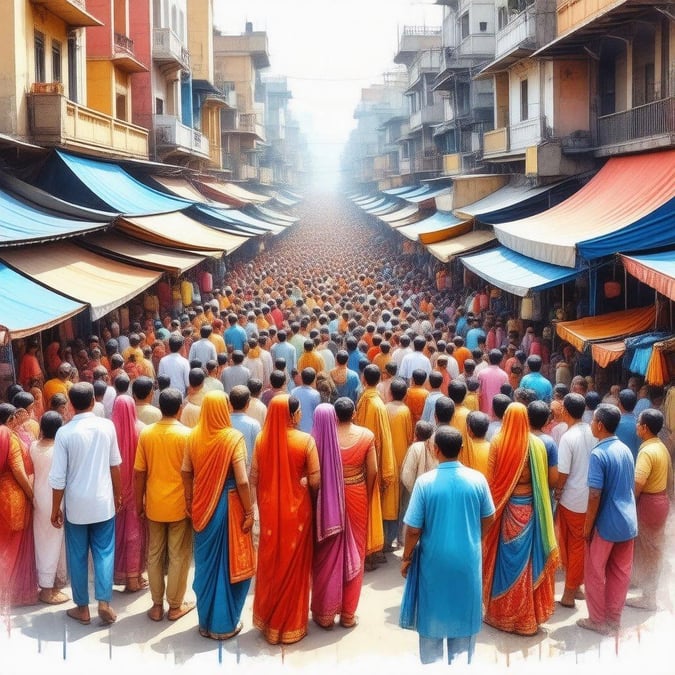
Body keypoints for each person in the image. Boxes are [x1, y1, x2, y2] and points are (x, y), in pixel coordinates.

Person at [399, 426, 495, 665]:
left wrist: (407, 557)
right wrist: (475, 538)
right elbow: (489, 517)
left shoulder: (425, 483)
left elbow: (413, 529)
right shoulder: (478, 480)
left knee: (432, 622)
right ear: (461, 449)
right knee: (463, 628)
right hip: (468, 561)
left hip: (434, 563)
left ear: (435, 449)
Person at [182, 391, 254, 639]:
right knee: (228, 564)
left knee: (207, 567)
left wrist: (190, 500)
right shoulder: (233, 438)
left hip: (202, 507)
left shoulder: (193, 437)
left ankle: (205, 623)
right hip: (229, 505)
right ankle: (223, 625)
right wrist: (249, 511)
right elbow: (243, 481)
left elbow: (185, 471)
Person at [49, 382, 122, 626]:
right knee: (104, 552)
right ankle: (103, 601)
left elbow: (58, 477)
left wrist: (54, 508)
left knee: (78, 556)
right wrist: (119, 495)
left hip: (76, 506)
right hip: (103, 502)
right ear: (93, 401)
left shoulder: (64, 433)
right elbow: (115, 465)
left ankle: (82, 608)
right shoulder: (106, 426)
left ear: (71, 404)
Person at [482, 402, 558, 635]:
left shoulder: (498, 442)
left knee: (504, 562)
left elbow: (492, 479)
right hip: (531, 511)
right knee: (527, 565)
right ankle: (527, 620)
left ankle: (500, 615)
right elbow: (547, 481)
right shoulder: (536, 444)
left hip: (506, 510)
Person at [251, 395, 320, 644]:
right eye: (299, 410)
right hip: (298, 513)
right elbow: (315, 480)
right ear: (292, 415)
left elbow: (254, 477)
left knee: (272, 562)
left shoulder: (261, 439)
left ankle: (269, 620)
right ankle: (289, 624)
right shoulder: (306, 441)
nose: (301, 414)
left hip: (270, 512)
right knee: (295, 564)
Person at [134, 388, 194, 623]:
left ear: (160, 408)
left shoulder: (147, 433)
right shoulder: (187, 435)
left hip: (155, 504)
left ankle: (157, 605)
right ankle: (175, 605)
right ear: (180, 409)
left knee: (155, 553)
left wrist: (139, 502)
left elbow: (140, 473)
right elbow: (191, 474)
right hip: (180, 505)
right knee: (178, 555)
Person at [577, 404, 637, 635]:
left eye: (593, 421)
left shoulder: (598, 453)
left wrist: (587, 526)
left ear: (600, 425)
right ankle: (614, 619)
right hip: (628, 521)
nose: (591, 424)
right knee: (620, 573)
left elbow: (594, 494)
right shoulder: (624, 449)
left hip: (606, 523)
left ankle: (597, 620)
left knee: (594, 572)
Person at [332, 397, 378, 628]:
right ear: (355, 413)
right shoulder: (367, 436)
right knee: (356, 551)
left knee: (330, 553)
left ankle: (326, 613)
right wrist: (367, 494)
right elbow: (373, 470)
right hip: (357, 493)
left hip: (331, 498)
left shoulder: (325, 437)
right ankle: (348, 614)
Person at [626, 408, 673, 610]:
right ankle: (643, 585)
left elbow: (638, 483)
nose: (636, 425)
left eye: (638, 422)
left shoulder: (647, 451)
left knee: (648, 550)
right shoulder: (660, 446)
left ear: (644, 428)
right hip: (660, 501)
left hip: (649, 503)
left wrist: (630, 502)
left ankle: (648, 597)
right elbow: (670, 479)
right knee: (651, 548)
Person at [554, 393, 596, 608]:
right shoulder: (593, 431)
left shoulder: (568, 437)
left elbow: (563, 472)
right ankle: (576, 587)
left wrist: (558, 491)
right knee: (574, 544)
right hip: (586, 498)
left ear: (566, 412)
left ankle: (570, 592)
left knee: (575, 545)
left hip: (573, 499)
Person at [0, 404, 38, 607]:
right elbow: (18, 470)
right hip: (12, 497)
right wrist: (32, 496)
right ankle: (13, 593)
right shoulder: (9, 437)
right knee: (15, 545)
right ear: (10, 419)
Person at [30, 411, 68, 605]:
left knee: (43, 540)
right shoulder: (60, 451)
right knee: (52, 542)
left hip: (39, 498)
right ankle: (46, 589)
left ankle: (49, 582)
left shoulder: (33, 447)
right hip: (55, 500)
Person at [111, 395, 146, 593]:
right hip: (136, 489)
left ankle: (120, 574)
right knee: (135, 534)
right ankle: (135, 577)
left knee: (116, 533)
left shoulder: (109, 431)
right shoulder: (141, 429)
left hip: (114, 492)